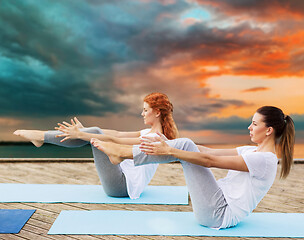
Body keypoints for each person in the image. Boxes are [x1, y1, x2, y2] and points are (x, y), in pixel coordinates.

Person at [90, 106, 295, 229]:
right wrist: (170, 143)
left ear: (268, 130)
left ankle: (122, 153)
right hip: (216, 203)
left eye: (254, 124)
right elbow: (209, 151)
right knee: (185, 144)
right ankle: (122, 153)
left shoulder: (265, 160)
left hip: (220, 214)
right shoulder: (251, 151)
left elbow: (209, 161)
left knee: (184, 146)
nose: (249, 128)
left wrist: (171, 151)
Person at [13, 92, 178, 199]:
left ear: (157, 112)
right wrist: (84, 131)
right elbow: (117, 134)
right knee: (95, 131)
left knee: (94, 134)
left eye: (145, 110)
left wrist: (82, 134)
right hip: (121, 179)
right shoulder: (147, 132)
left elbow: (116, 141)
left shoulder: (157, 138)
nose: (142, 113)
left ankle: (41, 137)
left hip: (121, 187)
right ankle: (41, 137)